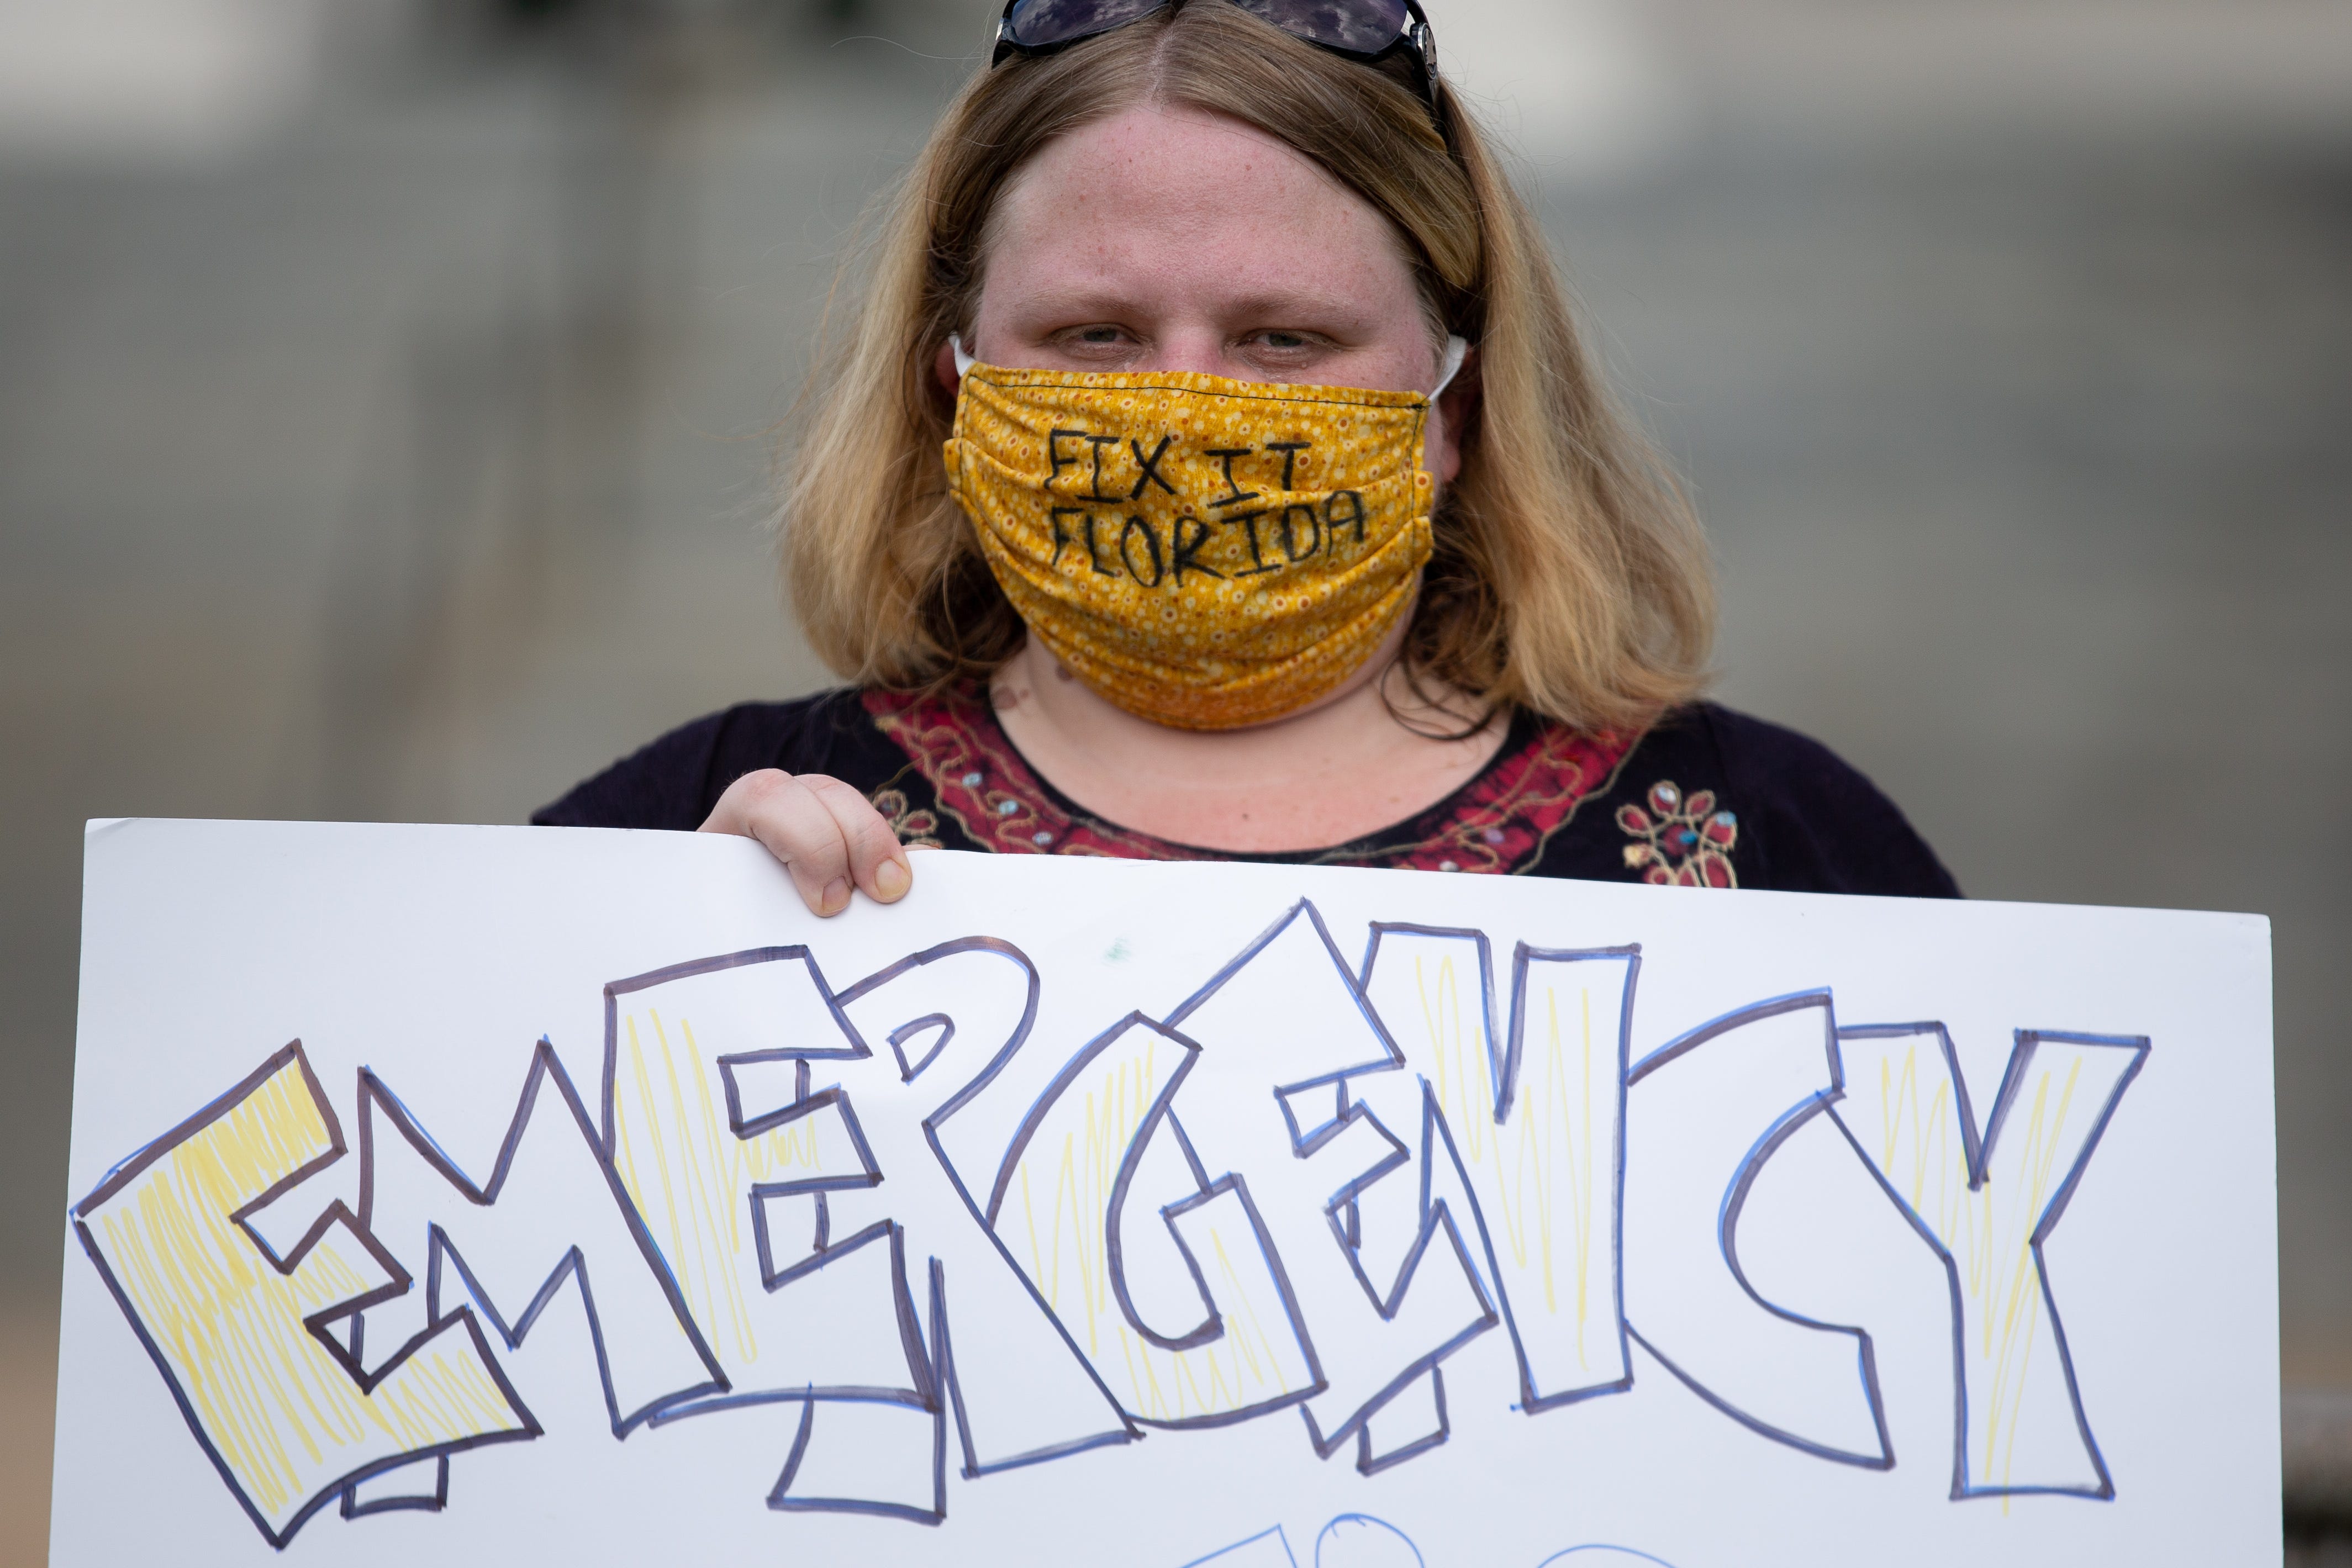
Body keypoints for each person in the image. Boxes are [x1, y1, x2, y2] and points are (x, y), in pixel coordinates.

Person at [535, 0, 1958, 912]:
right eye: (1094, 336)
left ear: (1454, 408)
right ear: (950, 392)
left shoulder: (1775, 851)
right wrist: (648, 970)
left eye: (1285, 339)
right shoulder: (708, 841)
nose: (1188, 409)